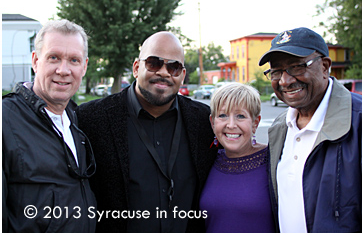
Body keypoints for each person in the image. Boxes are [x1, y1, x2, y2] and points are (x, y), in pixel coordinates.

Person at [76, 31, 217, 232]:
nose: (163, 72)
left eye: (173, 67)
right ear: (136, 67)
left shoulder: (205, 121)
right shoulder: (91, 119)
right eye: (153, 63)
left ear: (182, 75)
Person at [259, 27, 362, 233]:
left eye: (297, 67)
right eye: (276, 71)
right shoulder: (280, 127)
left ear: (325, 67)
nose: (285, 81)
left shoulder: (358, 120)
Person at [2, 19, 97, 232]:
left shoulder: (75, 119)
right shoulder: (5, 120)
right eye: (54, 58)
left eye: (74, 60)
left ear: (84, 67)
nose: (63, 70)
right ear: (35, 61)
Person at [199, 82, 276, 233]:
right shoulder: (206, 162)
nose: (231, 124)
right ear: (212, 122)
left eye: (240, 116)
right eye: (223, 115)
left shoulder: (274, 162)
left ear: (255, 123)